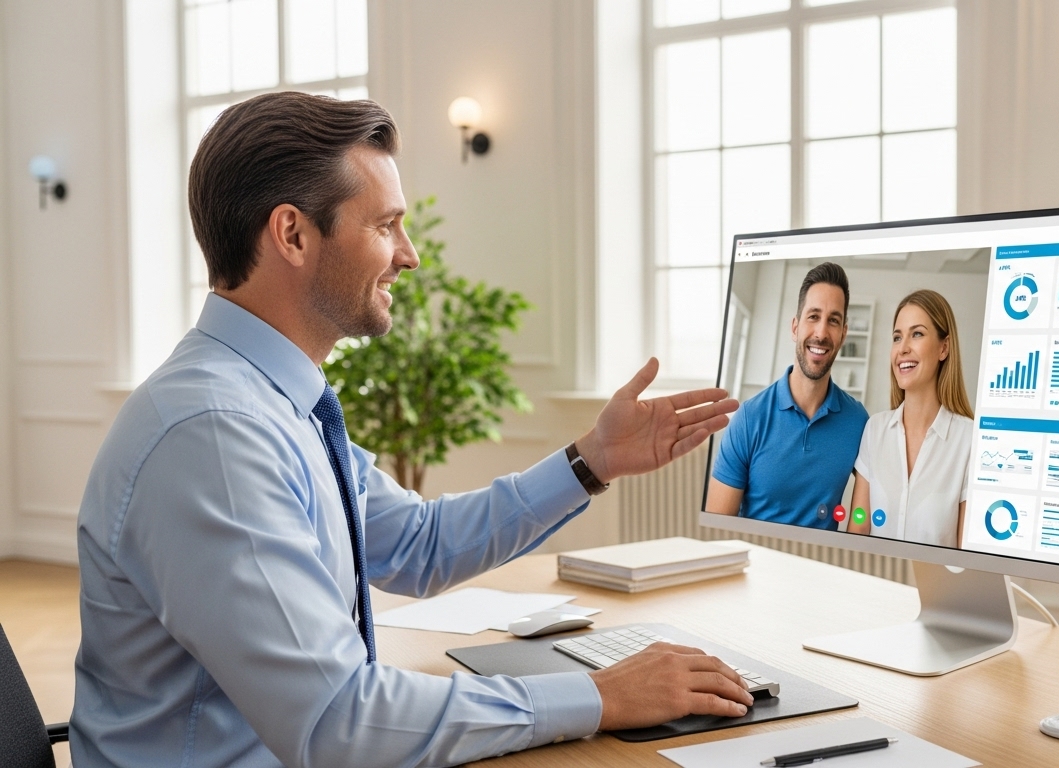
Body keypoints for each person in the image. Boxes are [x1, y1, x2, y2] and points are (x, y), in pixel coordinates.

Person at [69, 92, 752, 768]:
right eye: (386, 225)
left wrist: (592, 459)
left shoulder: (271, 403)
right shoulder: (215, 435)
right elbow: (339, 722)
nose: (409, 255)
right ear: (293, 234)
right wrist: (597, 696)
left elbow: (418, 545)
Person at [704, 263, 869, 528]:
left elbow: (864, 514)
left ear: (843, 334)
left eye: (834, 321)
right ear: (795, 328)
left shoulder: (858, 422)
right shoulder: (749, 418)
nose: (821, 333)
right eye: (813, 316)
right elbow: (718, 528)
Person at [848, 289, 975, 547]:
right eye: (897, 337)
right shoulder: (875, 429)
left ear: (943, 348)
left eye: (916, 334)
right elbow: (859, 526)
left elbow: (966, 556)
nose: (903, 348)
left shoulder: (969, 440)